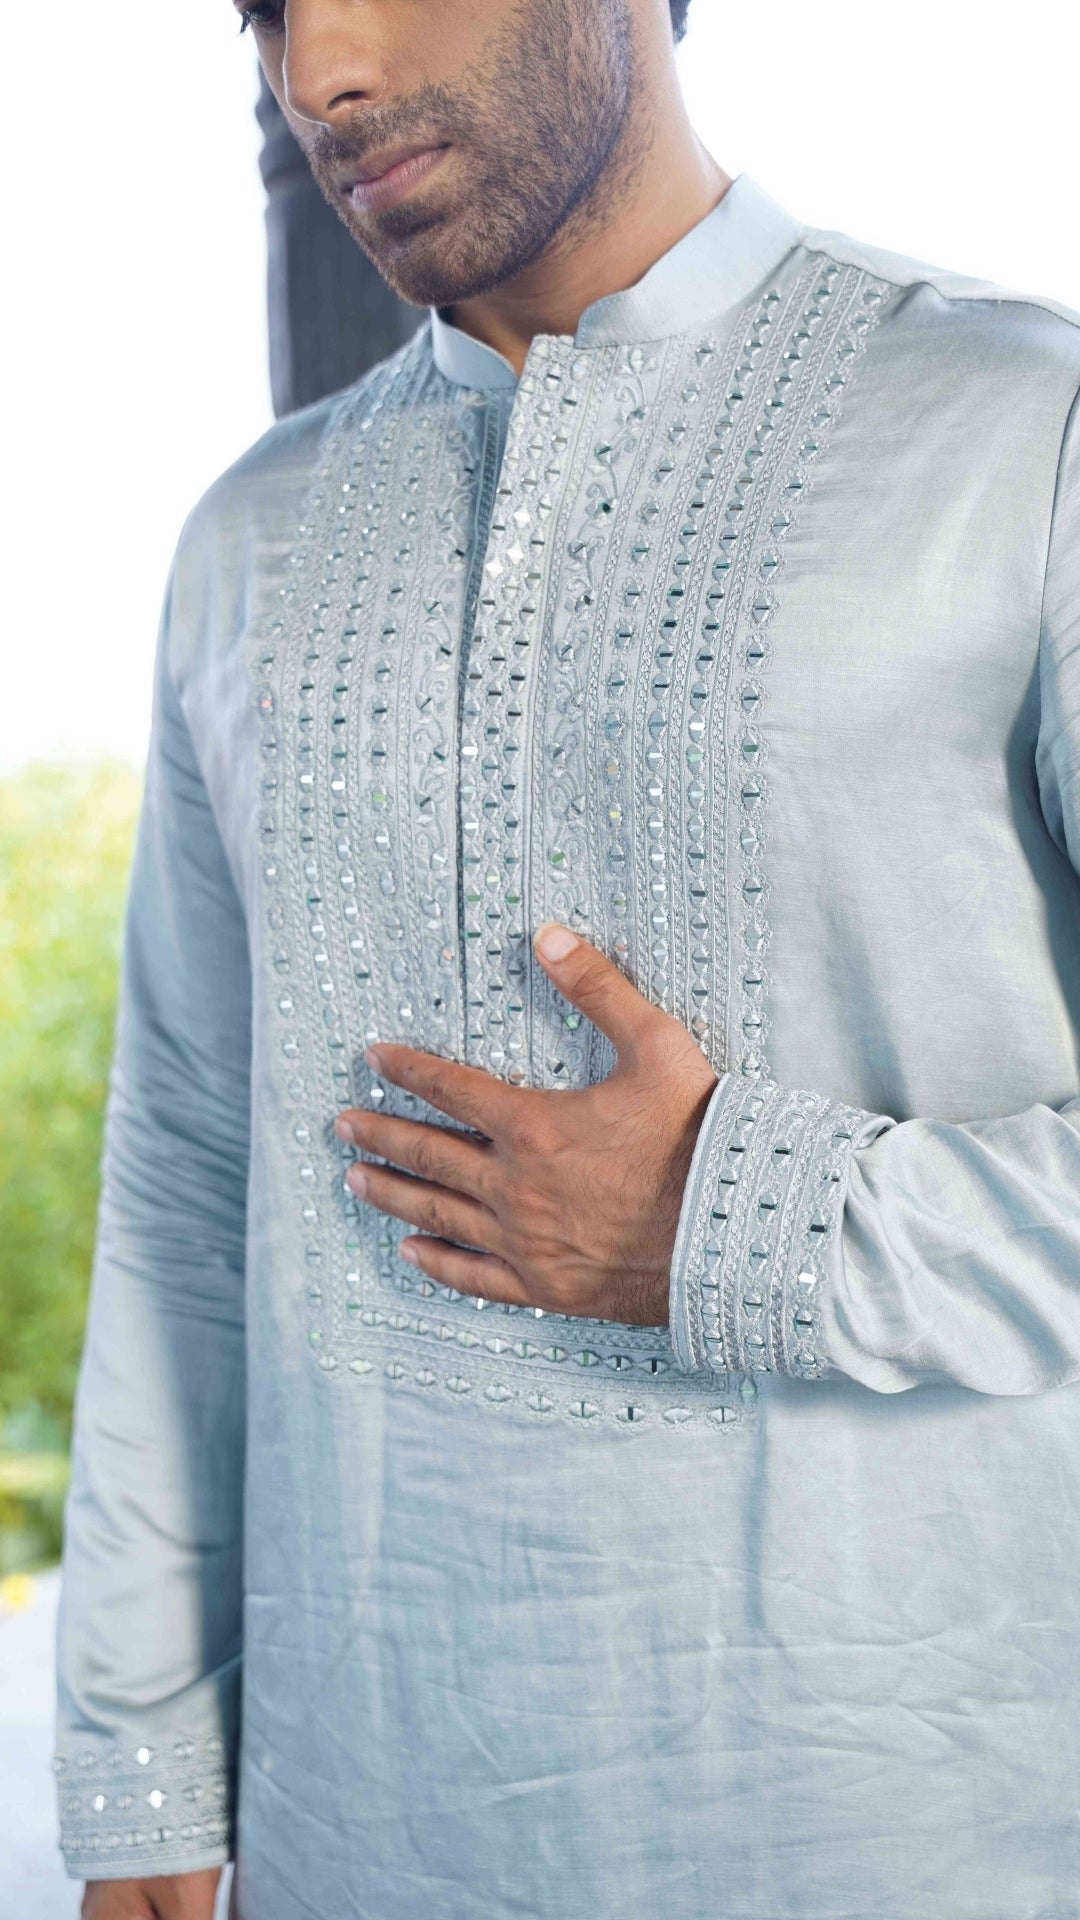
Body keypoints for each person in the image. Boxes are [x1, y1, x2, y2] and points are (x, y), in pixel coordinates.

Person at [55, 0, 1080, 1913]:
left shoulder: (1026, 432)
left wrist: (734, 1219)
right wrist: (141, 1763)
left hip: (922, 1836)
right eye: (268, 11)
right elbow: (190, 1188)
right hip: (362, 1828)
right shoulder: (247, 541)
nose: (318, 75)